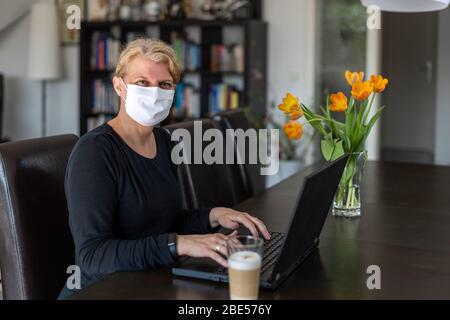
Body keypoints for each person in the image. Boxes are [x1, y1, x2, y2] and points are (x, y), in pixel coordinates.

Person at [58, 39, 270, 299]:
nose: (154, 92)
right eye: (143, 82)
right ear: (119, 86)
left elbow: (162, 221)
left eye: (164, 84)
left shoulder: (164, 141)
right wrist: (178, 244)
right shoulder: (94, 152)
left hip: (146, 280)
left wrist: (214, 216)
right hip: (100, 290)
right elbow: (92, 256)